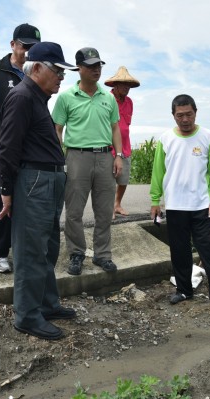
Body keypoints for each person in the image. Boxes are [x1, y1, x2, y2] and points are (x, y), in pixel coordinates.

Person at [0, 41, 78, 341]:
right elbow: (7, 148)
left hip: (49, 180)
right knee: (30, 250)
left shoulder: (37, 98)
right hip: (34, 181)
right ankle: (27, 316)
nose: (61, 76)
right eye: (57, 70)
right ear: (38, 68)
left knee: (47, 247)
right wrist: (6, 191)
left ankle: (46, 303)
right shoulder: (21, 96)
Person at [149, 94, 210, 315]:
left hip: (202, 207)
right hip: (175, 207)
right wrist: (155, 201)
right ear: (173, 115)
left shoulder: (208, 137)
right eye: (179, 115)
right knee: (179, 251)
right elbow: (158, 173)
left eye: (189, 114)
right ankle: (184, 290)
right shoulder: (165, 139)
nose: (185, 119)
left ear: (196, 112)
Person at [0, 23, 41, 273]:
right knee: (0, 201)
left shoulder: (36, 72)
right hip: (0, 149)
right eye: (24, 46)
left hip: (29, 152)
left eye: (33, 47)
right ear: (13, 44)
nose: (28, 51)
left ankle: (19, 249)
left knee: (25, 202)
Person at [52, 47, 123, 276]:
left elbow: (115, 128)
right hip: (76, 156)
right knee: (74, 211)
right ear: (79, 68)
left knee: (104, 211)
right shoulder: (66, 97)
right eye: (91, 65)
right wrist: (58, 157)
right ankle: (76, 254)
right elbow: (58, 129)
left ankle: (103, 255)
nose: (96, 70)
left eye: (98, 65)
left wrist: (118, 155)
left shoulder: (108, 97)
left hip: (105, 156)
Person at [104, 66, 140, 219]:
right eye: (124, 85)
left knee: (123, 179)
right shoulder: (107, 99)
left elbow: (127, 124)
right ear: (115, 85)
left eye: (129, 85)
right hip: (110, 146)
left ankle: (117, 204)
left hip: (126, 146)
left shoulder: (130, 102)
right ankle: (108, 208)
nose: (127, 88)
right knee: (109, 180)